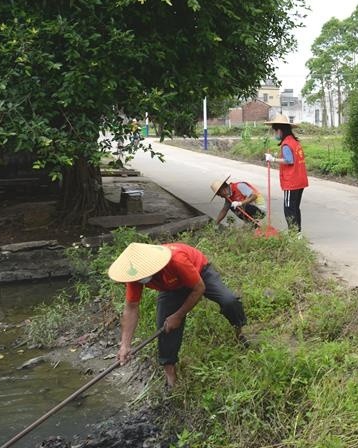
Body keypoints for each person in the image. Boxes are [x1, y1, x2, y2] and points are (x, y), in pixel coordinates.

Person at [108, 242, 248, 387]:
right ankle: (171, 379)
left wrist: (178, 315)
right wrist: (125, 345)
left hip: (199, 273)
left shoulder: (176, 260)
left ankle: (240, 331)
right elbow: (131, 307)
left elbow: (199, 288)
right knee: (166, 328)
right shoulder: (136, 273)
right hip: (171, 287)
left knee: (229, 301)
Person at [263, 113, 308, 232]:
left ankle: (293, 234)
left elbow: (289, 160)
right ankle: (297, 234)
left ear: (280, 130)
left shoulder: (286, 144)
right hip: (300, 180)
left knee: (288, 208)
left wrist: (273, 159)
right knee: (295, 208)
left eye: (275, 131)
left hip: (291, 181)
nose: (275, 134)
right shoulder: (294, 141)